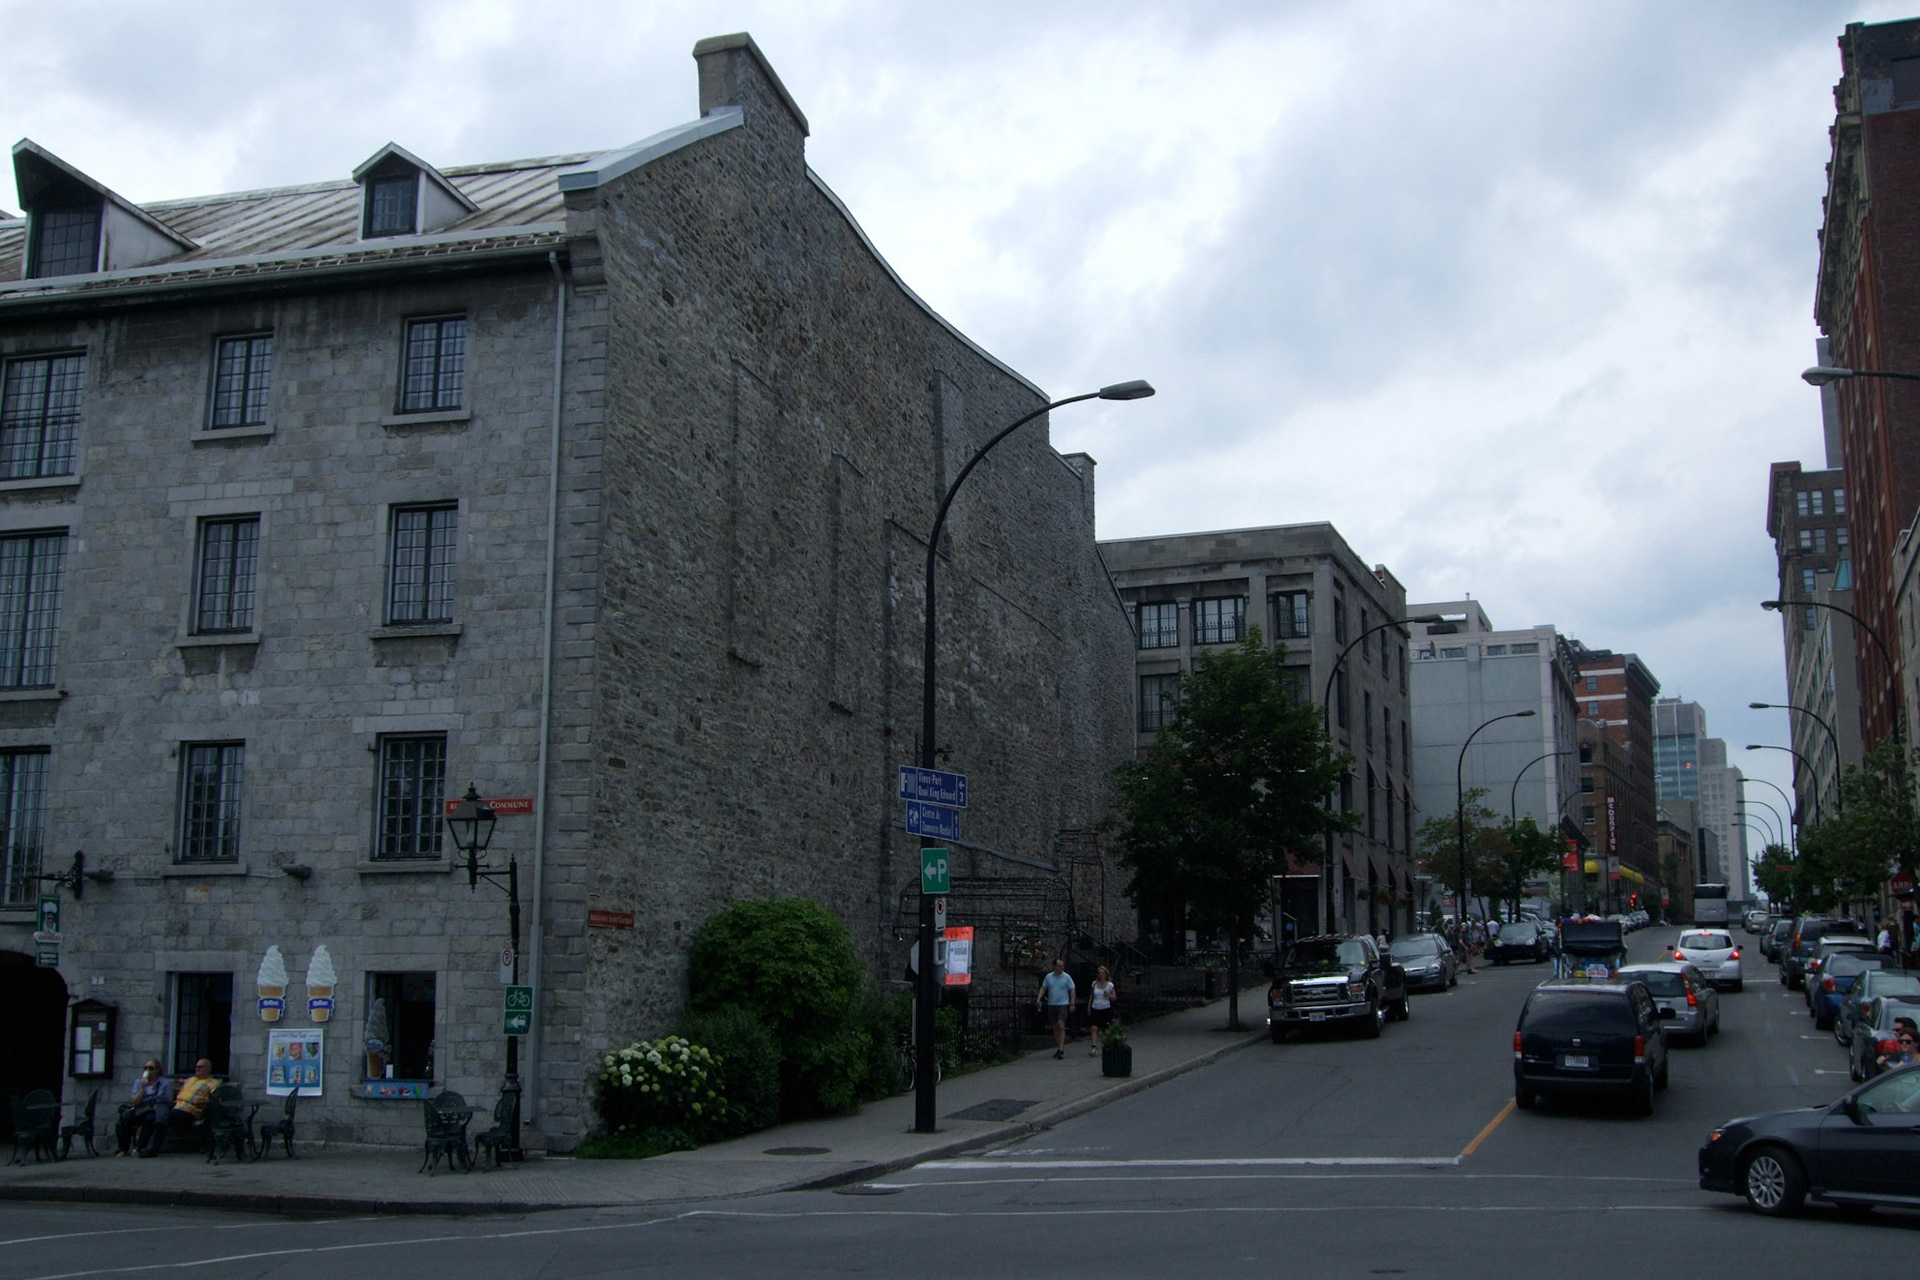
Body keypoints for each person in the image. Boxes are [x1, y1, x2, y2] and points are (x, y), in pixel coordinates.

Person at [140, 1058, 220, 1157]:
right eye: (196, 1067)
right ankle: (141, 1147)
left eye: (200, 1067)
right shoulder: (191, 1079)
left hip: (190, 1110)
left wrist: (206, 1101)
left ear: (208, 1069)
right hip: (176, 1105)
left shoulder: (213, 1083)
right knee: (150, 1118)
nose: (197, 1069)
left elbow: (217, 1099)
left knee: (162, 1118)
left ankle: (152, 1150)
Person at [116, 1059, 169, 1156]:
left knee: (149, 1120)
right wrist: (142, 1088)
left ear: (157, 1070)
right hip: (141, 1108)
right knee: (126, 1120)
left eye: (151, 1068)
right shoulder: (138, 1081)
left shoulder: (164, 1083)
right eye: (146, 1068)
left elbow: (167, 1100)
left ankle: (139, 1147)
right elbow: (135, 1102)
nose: (148, 1070)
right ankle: (123, 1149)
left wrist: (159, 1106)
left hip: (153, 1109)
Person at [1036, 957, 1076, 1060]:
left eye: (1062, 966)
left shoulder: (1066, 977)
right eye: (1059, 966)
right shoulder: (1049, 977)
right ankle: (1058, 1047)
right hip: (1052, 1004)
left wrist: (1072, 1003)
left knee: (1061, 1024)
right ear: (1054, 966)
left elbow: (1072, 990)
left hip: (1063, 1004)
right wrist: (1039, 998)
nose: (1061, 968)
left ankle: (1061, 1049)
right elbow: (1043, 988)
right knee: (1055, 1026)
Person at [1086, 965, 1118, 1055]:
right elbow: (1091, 995)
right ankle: (1094, 1047)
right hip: (1095, 1007)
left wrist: (1109, 995)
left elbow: (1114, 998)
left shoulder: (1110, 985)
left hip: (1106, 1008)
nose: (1101, 975)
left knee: (1106, 1028)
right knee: (1093, 1027)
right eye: (1099, 973)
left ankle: (1108, 1045)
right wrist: (1089, 1006)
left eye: (1102, 973)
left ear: (1106, 974)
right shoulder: (1094, 984)